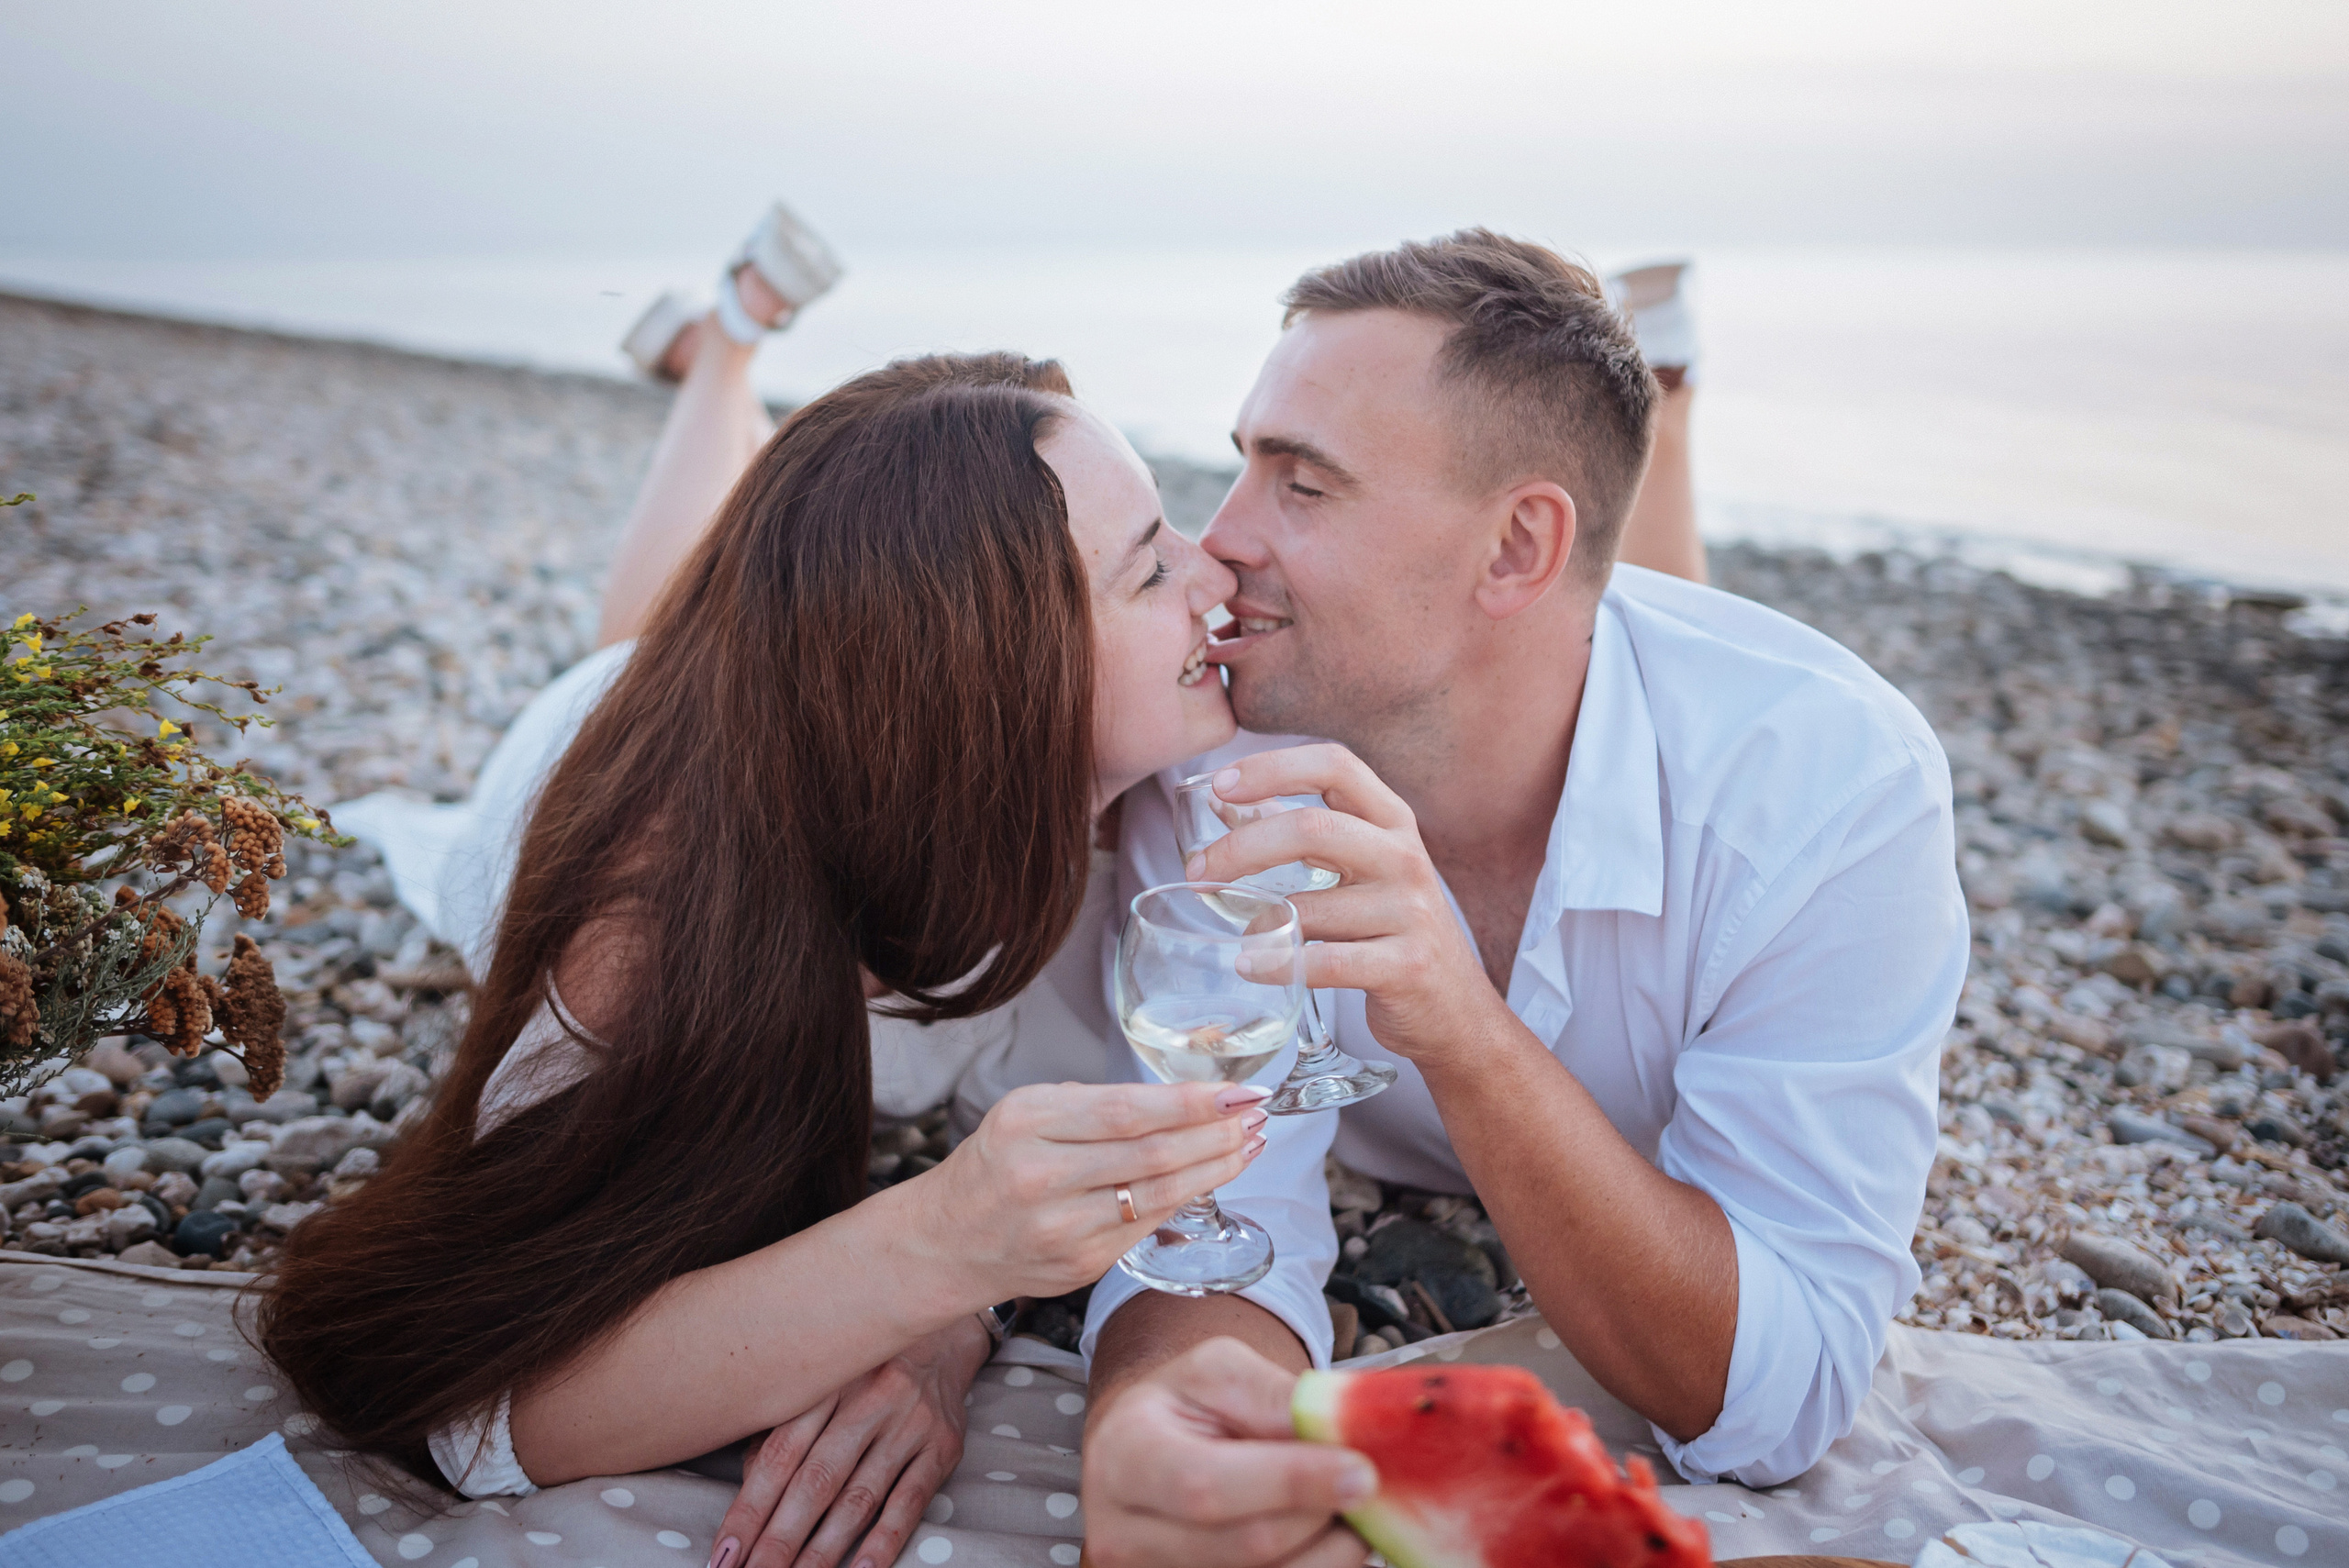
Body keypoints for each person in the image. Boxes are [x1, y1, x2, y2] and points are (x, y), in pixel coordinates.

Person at [262, 206, 1271, 1568]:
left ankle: (720, 353)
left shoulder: (1170, 801)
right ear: (1000, 679)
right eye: (1155, 566)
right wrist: (939, 1247)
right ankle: (727, 348)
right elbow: (463, 1393)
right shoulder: (657, 919)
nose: (1221, 578)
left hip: (808, 705)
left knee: (702, 597)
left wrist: (939, 1327)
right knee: (632, 643)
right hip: (605, 755)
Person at [1075, 230, 1969, 1565]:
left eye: (1303, 484)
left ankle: (1672, 377)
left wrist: (1462, 1024)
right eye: (1246, 458)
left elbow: (1777, 1400)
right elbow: (1221, 1217)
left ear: (1515, 545)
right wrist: (1174, 1439)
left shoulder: (1834, 790)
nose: (1222, 540)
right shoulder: (1218, 754)